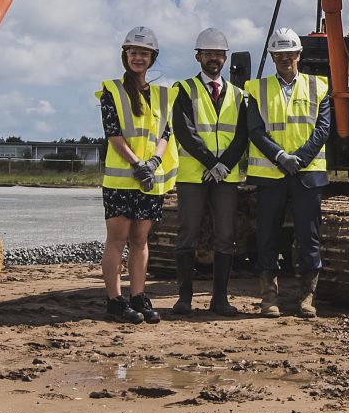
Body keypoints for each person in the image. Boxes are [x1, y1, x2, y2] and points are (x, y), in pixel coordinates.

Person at [244, 27, 332, 318]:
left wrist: (301, 158)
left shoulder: (318, 86)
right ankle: (269, 298)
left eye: (289, 53)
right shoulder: (258, 89)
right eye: (279, 54)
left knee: (309, 236)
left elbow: (323, 128)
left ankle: (307, 298)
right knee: (267, 235)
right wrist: (281, 157)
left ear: (299, 55)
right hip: (272, 174)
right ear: (272, 57)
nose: (285, 58)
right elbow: (255, 130)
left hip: (306, 175)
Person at [98, 26, 177, 323]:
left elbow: (165, 132)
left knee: (141, 241)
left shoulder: (161, 95)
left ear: (152, 57)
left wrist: (154, 162)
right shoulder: (112, 90)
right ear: (125, 55)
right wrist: (136, 164)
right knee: (116, 240)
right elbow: (113, 134)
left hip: (149, 179)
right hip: (122, 179)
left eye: (143, 53)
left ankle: (138, 296)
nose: (137, 57)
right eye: (133, 52)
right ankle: (114, 301)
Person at [168, 26, 244, 317]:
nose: (213, 59)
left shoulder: (238, 94)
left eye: (218, 54)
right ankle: (184, 298)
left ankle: (220, 299)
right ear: (198, 56)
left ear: (225, 58)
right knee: (187, 233)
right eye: (208, 54)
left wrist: (224, 164)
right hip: (193, 176)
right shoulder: (183, 89)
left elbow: (242, 134)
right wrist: (212, 163)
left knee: (226, 235)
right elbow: (184, 130)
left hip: (226, 176)